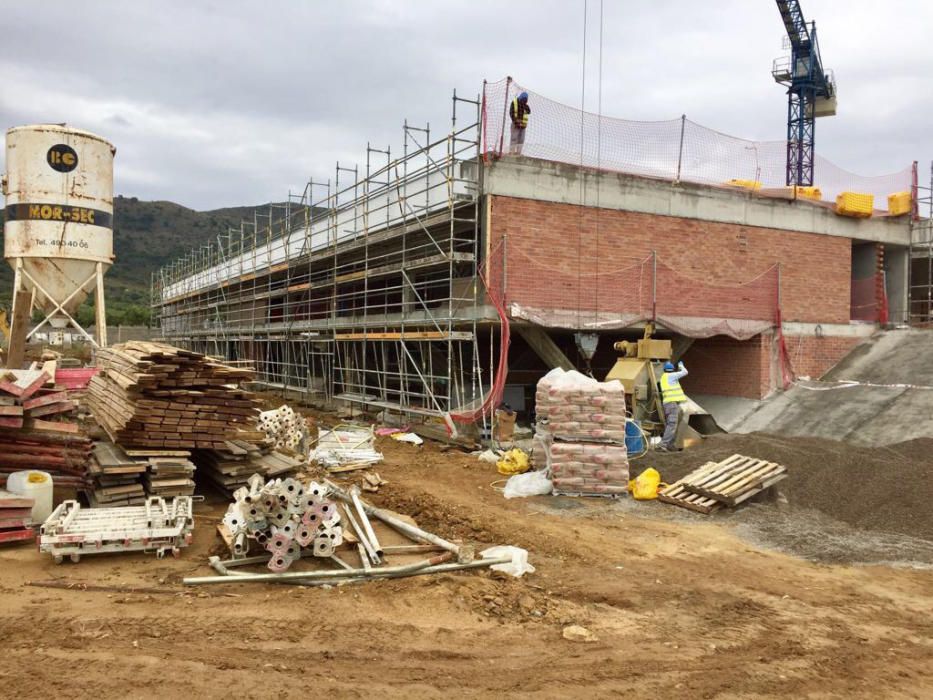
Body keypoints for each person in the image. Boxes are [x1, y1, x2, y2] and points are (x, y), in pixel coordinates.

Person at [658, 360, 688, 451]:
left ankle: (670, 444)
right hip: (671, 404)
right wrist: (681, 366)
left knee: (673, 425)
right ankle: (662, 445)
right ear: (672, 369)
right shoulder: (671, 376)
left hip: (670, 404)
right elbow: (685, 372)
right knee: (671, 425)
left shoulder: (664, 377)